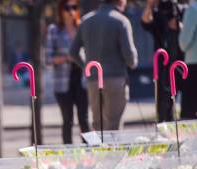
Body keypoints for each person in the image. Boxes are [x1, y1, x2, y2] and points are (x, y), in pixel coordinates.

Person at [70, 0, 138, 133]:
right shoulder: (121, 21)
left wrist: (87, 66)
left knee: (97, 124)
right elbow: (130, 58)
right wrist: (131, 62)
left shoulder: (86, 21)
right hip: (115, 78)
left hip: (93, 80)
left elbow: (73, 52)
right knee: (113, 125)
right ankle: (113, 153)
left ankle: (99, 152)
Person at [47, 0, 90, 144]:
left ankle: (89, 155)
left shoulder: (82, 28)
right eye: (67, 8)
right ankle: (68, 156)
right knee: (67, 120)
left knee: (84, 119)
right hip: (63, 82)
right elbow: (48, 59)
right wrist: (67, 57)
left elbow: (90, 53)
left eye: (74, 7)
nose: (71, 11)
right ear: (61, 10)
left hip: (82, 80)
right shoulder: (54, 30)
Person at [141, 0, 185, 122]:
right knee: (164, 104)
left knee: (187, 102)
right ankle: (164, 125)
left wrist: (179, 26)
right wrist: (150, 5)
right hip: (163, 65)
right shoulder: (157, 13)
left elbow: (190, 31)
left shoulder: (182, 10)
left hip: (182, 63)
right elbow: (145, 22)